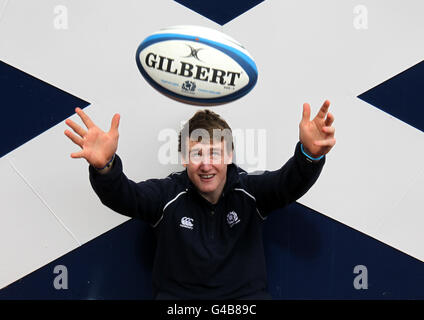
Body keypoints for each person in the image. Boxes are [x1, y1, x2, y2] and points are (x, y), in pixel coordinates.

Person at [64, 100, 336, 299]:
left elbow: (289, 182)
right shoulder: (167, 196)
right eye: (196, 154)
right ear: (184, 159)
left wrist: (309, 155)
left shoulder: (251, 192)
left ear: (230, 156)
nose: (206, 165)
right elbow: (124, 196)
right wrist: (104, 167)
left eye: (215, 154)